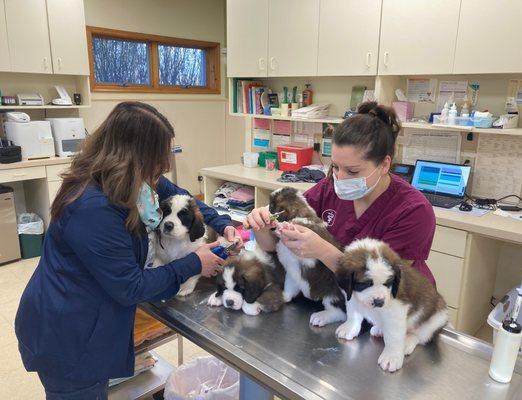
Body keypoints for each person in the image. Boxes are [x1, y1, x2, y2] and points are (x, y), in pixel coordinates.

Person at [15, 102, 241, 399]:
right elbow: (131, 286)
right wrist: (194, 263)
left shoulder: (128, 180)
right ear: (135, 159)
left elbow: (185, 198)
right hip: (68, 337)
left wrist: (223, 223)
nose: (159, 177)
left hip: (86, 320)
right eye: (156, 167)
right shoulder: (92, 207)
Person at [245, 101, 436, 284]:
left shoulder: (414, 211)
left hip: (394, 309)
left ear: (384, 164)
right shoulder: (328, 189)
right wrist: (261, 227)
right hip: (338, 298)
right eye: (336, 167)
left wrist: (323, 251)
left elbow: (382, 282)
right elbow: (272, 246)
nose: (340, 178)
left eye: (352, 171)